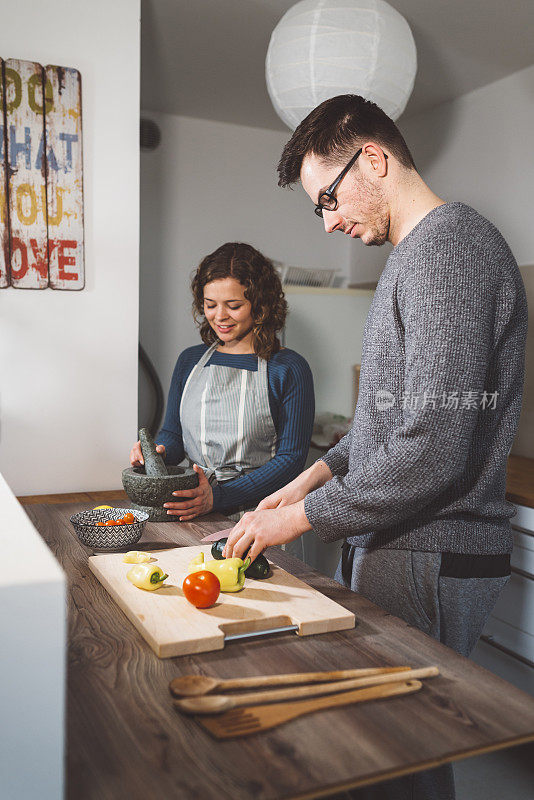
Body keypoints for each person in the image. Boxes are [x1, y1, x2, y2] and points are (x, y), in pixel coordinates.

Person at [224, 96, 527, 800]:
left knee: (394, 761)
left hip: (431, 547)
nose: (329, 220)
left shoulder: (448, 248)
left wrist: (293, 522)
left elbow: (433, 447)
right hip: (408, 543)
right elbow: (390, 417)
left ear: (377, 159)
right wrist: (311, 479)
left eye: (327, 197)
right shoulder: (418, 256)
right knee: (394, 754)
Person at [130, 242, 314, 521]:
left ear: (260, 304)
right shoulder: (189, 361)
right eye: (210, 305)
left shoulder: (288, 368)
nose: (219, 316)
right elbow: (175, 435)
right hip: (195, 508)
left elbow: (291, 460)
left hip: (264, 516)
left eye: (234, 305)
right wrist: (157, 453)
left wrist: (218, 497)